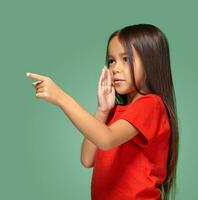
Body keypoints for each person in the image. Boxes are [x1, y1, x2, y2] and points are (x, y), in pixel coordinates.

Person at [26, 23, 179, 200]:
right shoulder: (117, 111)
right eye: (112, 60)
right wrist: (102, 110)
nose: (115, 69)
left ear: (151, 61)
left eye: (126, 59)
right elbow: (87, 159)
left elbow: (106, 139)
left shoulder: (151, 104)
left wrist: (61, 98)